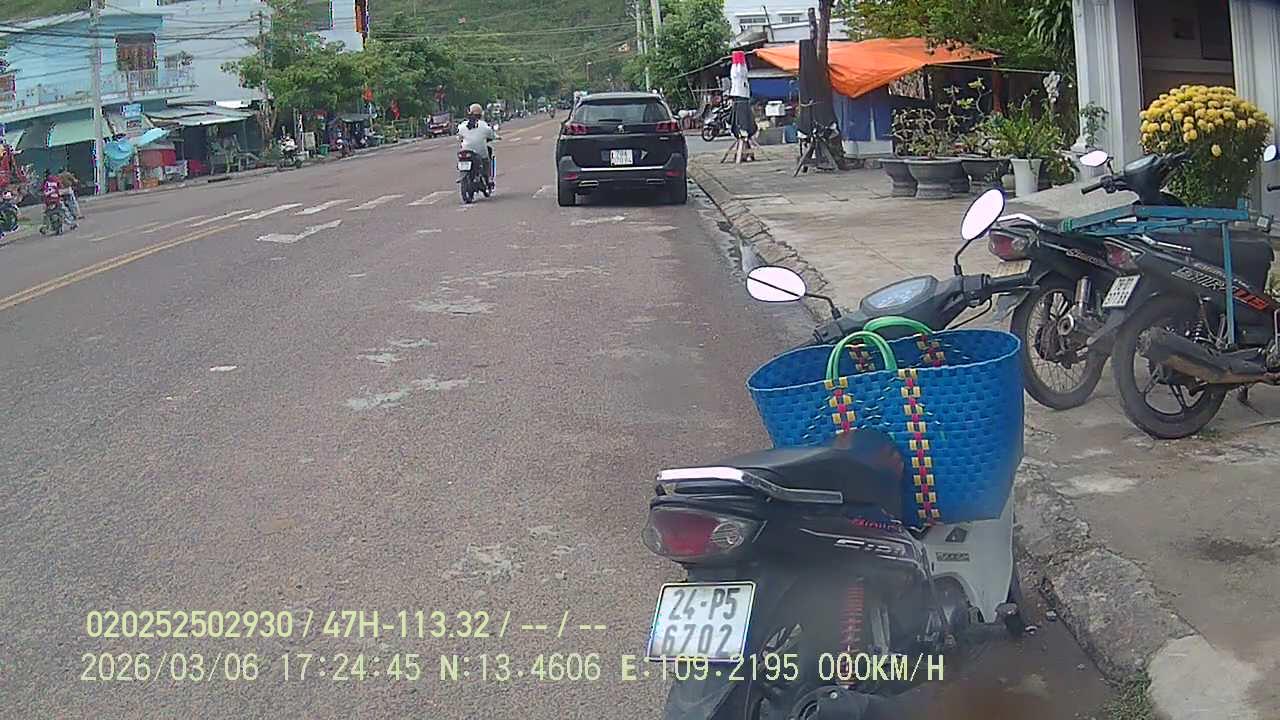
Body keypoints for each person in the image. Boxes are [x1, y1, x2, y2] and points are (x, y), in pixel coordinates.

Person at [457, 103, 497, 189]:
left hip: (465, 150)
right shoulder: (483, 125)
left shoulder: (462, 125)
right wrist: (496, 137)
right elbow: (491, 135)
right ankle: (489, 178)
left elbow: (459, 137)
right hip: (480, 151)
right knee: (486, 160)